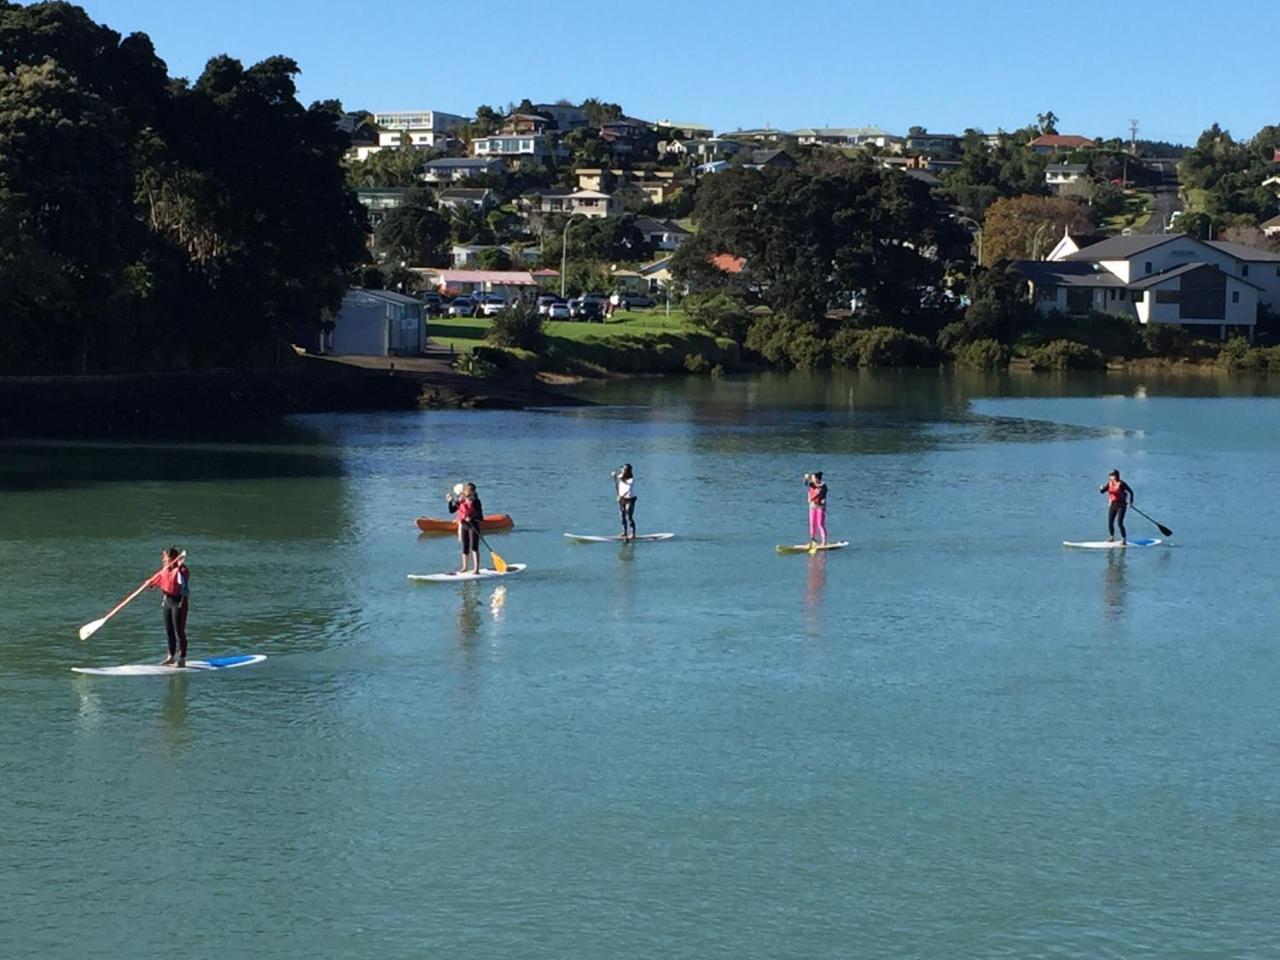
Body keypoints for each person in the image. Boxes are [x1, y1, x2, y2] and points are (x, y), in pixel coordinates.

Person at [148, 546, 189, 667]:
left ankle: (182, 658)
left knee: (179, 631)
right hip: (167, 601)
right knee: (169, 630)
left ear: (172, 558)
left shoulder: (182, 570)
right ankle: (170, 656)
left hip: (179, 602)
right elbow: (156, 582)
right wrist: (150, 583)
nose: (163, 560)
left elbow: (184, 578)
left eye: (165, 558)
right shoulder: (164, 570)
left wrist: (180, 566)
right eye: (163, 558)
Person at [447, 482, 484, 573]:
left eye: (470, 495)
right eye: (467, 495)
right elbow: (451, 510)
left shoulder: (476, 502)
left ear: (473, 492)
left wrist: (471, 517)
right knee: (465, 547)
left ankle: (476, 569)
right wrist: (450, 501)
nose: (468, 497)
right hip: (464, 526)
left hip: (473, 526)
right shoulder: (461, 499)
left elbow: (480, 516)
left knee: (474, 547)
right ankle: (465, 567)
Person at [1100, 469, 1135, 544]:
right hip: (1113, 504)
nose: (1110, 476)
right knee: (1110, 522)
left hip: (1121, 505)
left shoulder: (1122, 484)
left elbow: (1131, 492)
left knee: (1119, 523)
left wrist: (1131, 502)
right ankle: (1111, 537)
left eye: (1112, 475)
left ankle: (1123, 539)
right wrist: (1101, 488)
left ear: (1116, 476)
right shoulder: (1109, 483)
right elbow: (1103, 492)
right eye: (1110, 475)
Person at [611, 464, 637, 542]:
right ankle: (624, 532)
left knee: (629, 517)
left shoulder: (631, 479)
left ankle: (633, 534)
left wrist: (615, 476)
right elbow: (618, 478)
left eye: (623, 470)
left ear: (627, 471)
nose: (622, 471)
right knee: (622, 516)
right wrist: (614, 476)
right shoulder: (621, 475)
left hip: (630, 500)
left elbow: (626, 485)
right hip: (622, 499)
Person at [805, 471, 828, 547]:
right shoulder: (811, 484)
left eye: (813, 478)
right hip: (812, 507)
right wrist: (806, 478)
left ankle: (824, 542)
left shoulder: (823, 486)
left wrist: (815, 498)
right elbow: (806, 484)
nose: (812, 479)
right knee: (812, 524)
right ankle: (813, 541)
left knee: (820, 524)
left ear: (817, 479)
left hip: (820, 507)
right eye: (812, 478)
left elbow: (821, 495)